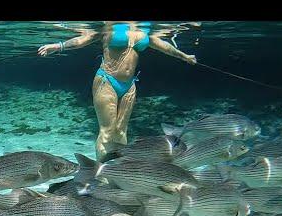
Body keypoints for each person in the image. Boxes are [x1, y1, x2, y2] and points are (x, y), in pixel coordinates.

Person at [39, 22, 197, 161]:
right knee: (107, 131)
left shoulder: (142, 29)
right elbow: (83, 39)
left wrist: (184, 56)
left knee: (121, 130)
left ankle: (119, 172)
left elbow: (164, 46)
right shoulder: (107, 26)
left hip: (130, 85)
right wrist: (59, 46)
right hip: (107, 80)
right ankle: (100, 173)